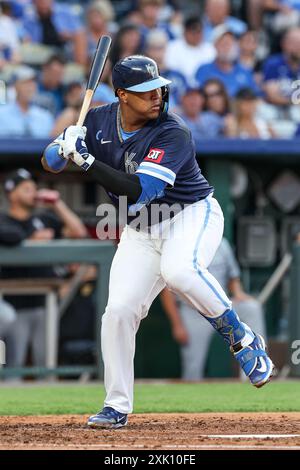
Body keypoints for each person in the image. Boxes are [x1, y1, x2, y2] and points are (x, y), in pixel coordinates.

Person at [42, 54, 274, 429]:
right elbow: (49, 163)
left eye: (158, 88)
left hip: (189, 215)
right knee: (118, 311)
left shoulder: (173, 130)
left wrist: (87, 163)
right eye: (145, 91)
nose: (157, 96)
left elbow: (140, 191)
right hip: (140, 231)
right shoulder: (98, 120)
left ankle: (243, 339)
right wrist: (65, 144)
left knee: (180, 270)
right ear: (122, 95)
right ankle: (116, 406)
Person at [0, 169, 87, 368]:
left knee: (47, 362)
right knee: (15, 363)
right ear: (12, 193)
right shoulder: (4, 221)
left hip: (46, 302)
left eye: (34, 188)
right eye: (26, 188)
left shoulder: (43, 219)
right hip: (14, 302)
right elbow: (9, 235)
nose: (33, 192)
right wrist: (30, 240)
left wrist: (57, 204)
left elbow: (78, 232)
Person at [161, 238, 267, 381]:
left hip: (221, 307)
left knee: (252, 308)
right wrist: (177, 324)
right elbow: (166, 291)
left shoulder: (221, 243)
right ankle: (191, 399)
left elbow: (232, 275)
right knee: (193, 369)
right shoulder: (180, 242)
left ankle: (257, 367)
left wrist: (237, 292)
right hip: (192, 310)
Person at [195, 25, 259, 97]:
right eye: (223, 43)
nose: (227, 47)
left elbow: (255, 97)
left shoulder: (245, 71)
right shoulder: (204, 70)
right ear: (215, 45)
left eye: (230, 42)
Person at [0, 65, 54, 138]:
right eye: (26, 83)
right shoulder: (1, 114)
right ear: (15, 86)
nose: (30, 87)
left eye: (33, 83)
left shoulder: (45, 117)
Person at [165, 15, 216, 86]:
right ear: (185, 32)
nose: (196, 35)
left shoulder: (210, 49)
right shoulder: (172, 47)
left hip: (204, 86)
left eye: (199, 32)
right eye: (193, 32)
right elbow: (171, 71)